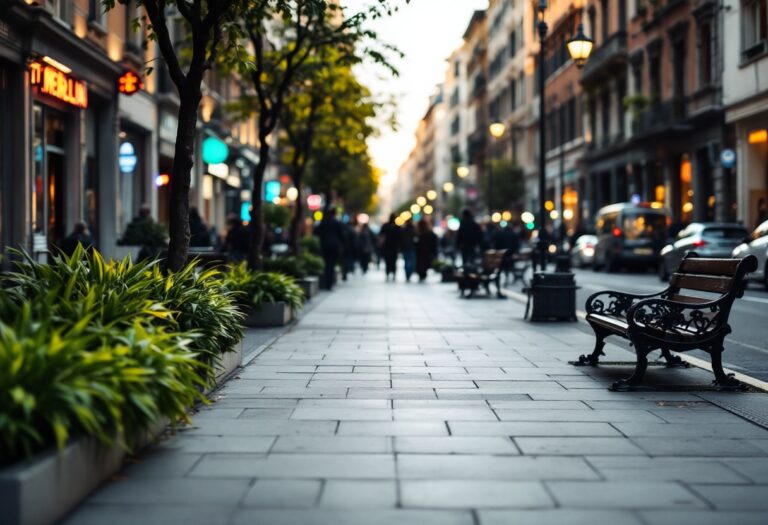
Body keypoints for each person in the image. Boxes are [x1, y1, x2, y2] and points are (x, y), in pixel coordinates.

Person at [315, 208, 344, 290]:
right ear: (335, 214)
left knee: (327, 264)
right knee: (332, 264)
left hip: (325, 245)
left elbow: (316, 232)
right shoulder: (337, 223)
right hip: (334, 247)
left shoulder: (323, 222)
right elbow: (342, 235)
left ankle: (327, 283)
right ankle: (330, 283)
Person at [378, 213, 401, 281]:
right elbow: (400, 238)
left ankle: (388, 272)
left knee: (388, 261)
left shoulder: (386, 226)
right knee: (393, 261)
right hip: (394, 247)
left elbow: (381, 236)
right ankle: (393, 273)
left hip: (388, 247)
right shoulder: (397, 227)